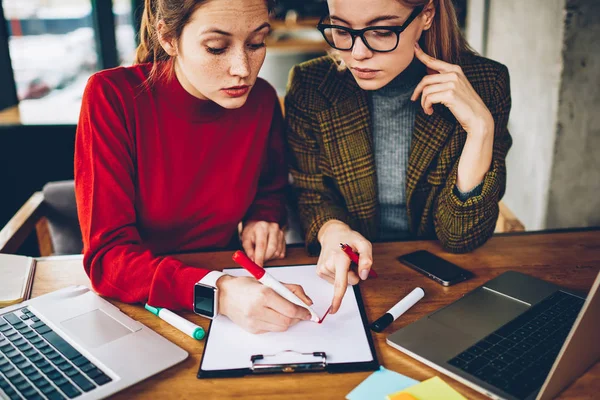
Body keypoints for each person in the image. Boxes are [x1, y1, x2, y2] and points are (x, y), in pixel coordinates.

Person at [75, 0, 313, 334]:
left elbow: (270, 186)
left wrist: (264, 216)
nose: (243, 68)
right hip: (138, 307)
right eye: (217, 48)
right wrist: (219, 292)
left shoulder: (260, 99)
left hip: (233, 285)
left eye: (256, 43)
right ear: (169, 39)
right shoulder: (112, 97)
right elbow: (107, 259)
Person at [285, 0, 512, 313]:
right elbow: (312, 194)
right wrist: (332, 229)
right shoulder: (311, 85)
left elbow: (461, 237)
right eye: (340, 29)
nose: (357, 53)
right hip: (347, 276)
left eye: (381, 31)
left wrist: (480, 129)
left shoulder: (486, 84)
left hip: (440, 281)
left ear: (427, 15)